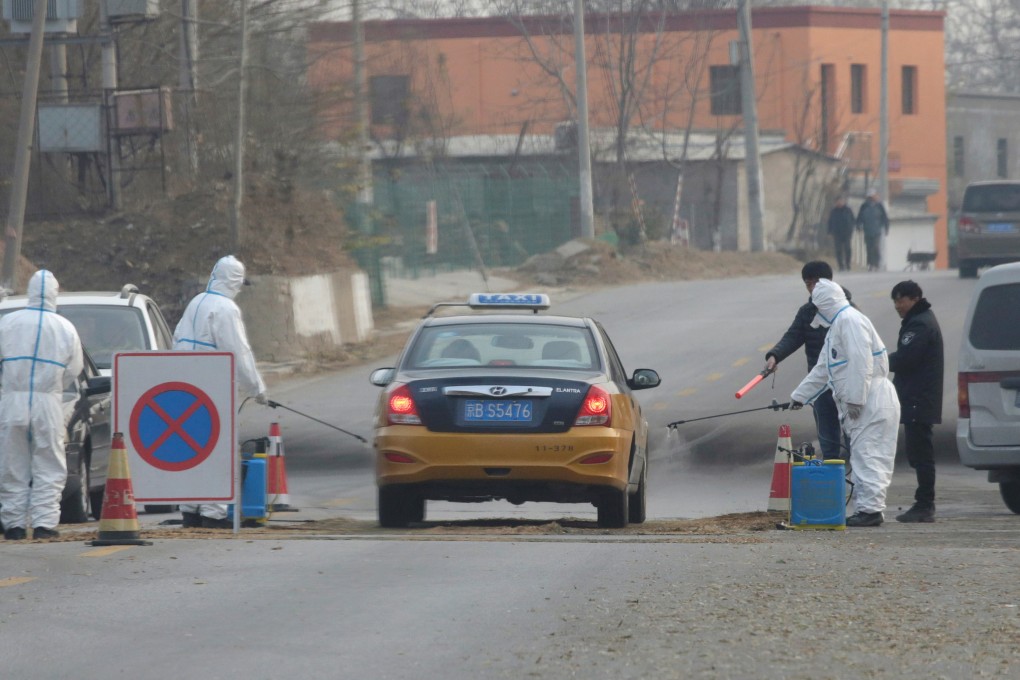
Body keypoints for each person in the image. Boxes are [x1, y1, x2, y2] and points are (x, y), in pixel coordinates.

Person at [790, 279, 900, 527]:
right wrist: (799, 396)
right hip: (863, 402)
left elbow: (862, 363)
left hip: (870, 400)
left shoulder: (850, 321)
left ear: (825, 304)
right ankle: (867, 508)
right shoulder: (837, 328)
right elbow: (823, 370)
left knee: (869, 455)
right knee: (863, 455)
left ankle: (870, 511)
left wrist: (855, 400)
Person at [173, 255, 268, 529]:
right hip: (212, 383)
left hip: (183, 383)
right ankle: (212, 513)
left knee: (191, 448)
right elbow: (239, 351)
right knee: (217, 446)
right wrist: (257, 388)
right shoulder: (226, 309)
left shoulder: (196, 302)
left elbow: (177, 338)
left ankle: (190, 509)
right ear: (235, 282)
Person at [0, 270, 84, 541]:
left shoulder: (7, 323)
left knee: (12, 463)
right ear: (54, 294)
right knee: (48, 463)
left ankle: (13, 524)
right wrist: (52, 385)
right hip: (48, 402)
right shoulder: (65, 327)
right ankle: (44, 524)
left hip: (12, 400)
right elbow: (75, 369)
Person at [765, 261, 847, 460]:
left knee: (853, 432)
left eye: (816, 283)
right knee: (827, 431)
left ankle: (858, 478)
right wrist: (775, 356)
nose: (811, 289)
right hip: (819, 383)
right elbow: (793, 336)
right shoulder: (807, 312)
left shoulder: (846, 312)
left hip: (845, 383)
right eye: (808, 284)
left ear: (828, 283)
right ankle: (831, 471)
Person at [888, 280, 944, 523]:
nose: (898, 306)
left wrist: (876, 360)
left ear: (914, 298)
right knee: (917, 452)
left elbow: (905, 359)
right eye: (895, 301)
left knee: (921, 453)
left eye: (901, 300)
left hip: (918, 398)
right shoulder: (920, 320)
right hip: (917, 397)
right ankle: (923, 502)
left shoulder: (920, 324)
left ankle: (925, 504)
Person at [857, 190, 889, 271]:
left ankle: (876, 264)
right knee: (869, 248)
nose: (872, 198)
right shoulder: (864, 206)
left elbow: (885, 218)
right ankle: (870, 264)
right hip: (867, 230)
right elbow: (859, 217)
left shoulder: (879, 206)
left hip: (877, 231)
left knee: (875, 247)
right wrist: (858, 226)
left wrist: (886, 228)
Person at [827, 196, 856, 271]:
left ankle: (848, 264)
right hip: (837, 233)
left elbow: (853, 220)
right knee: (838, 250)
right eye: (838, 201)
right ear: (835, 202)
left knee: (847, 249)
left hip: (847, 233)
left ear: (843, 202)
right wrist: (829, 231)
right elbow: (830, 222)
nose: (839, 203)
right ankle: (841, 265)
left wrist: (851, 229)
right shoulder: (833, 211)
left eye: (841, 201)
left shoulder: (848, 210)